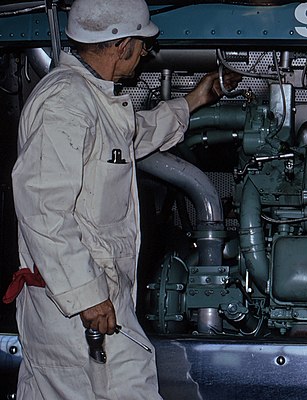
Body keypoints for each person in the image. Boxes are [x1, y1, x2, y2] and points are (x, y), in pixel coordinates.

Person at [6, 0, 241, 398]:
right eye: (143, 45)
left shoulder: (92, 100)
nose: (145, 55)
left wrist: (194, 100)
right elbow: (42, 206)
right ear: (122, 44)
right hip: (73, 307)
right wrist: (87, 296)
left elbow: (132, 135)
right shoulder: (65, 102)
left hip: (94, 297)